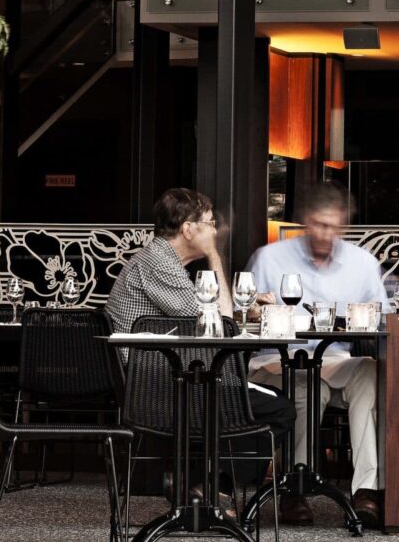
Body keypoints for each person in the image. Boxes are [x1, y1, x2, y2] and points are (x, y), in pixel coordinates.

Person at [106, 187, 293, 498]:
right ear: (188, 229)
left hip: (166, 378)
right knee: (278, 408)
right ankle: (208, 485)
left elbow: (216, 315)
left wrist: (244, 307)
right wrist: (214, 254)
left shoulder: (163, 261)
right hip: (160, 385)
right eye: (209, 223)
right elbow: (220, 321)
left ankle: (204, 484)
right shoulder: (160, 263)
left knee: (255, 402)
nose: (215, 230)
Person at [247, 182, 386, 527]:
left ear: (342, 226)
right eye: (319, 224)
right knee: (309, 385)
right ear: (306, 222)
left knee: (371, 372)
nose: (325, 233)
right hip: (276, 360)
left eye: (333, 226)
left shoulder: (362, 263)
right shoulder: (271, 258)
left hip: (335, 359)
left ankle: (366, 491)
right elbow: (244, 309)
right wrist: (255, 306)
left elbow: (383, 316)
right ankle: (296, 486)